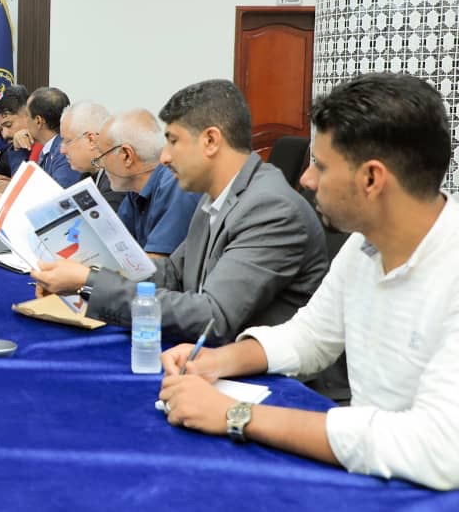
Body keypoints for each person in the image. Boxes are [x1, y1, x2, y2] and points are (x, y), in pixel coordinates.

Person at [158, 73, 459, 491]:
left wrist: (236, 415)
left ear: (372, 179)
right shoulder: (362, 247)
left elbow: (438, 448)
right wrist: (217, 361)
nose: (307, 179)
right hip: (373, 471)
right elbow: (311, 336)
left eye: (321, 165)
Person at [32, 79, 327, 345]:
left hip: (269, 377)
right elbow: (172, 273)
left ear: (210, 141)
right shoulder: (217, 195)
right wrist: (86, 278)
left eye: (173, 141)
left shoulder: (270, 208)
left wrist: (90, 282)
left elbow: (212, 316)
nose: (164, 156)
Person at [91, 109, 200, 256]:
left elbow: (157, 263)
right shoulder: (134, 191)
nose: (101, 165)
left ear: (127, 155)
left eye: (102, 156)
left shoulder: (175, 185)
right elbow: (115, 247)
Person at [56, 100, 128, 213]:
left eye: (68, 141)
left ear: (91, 140)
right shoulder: (88, 174)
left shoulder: (116, 179)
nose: (62, 150)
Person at [26, 87, 83, 188]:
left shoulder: (65, 153)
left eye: (27, 115)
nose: (25, 121)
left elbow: (58, 193)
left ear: (38, 121)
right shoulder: (50, 148)